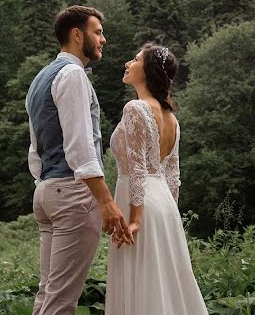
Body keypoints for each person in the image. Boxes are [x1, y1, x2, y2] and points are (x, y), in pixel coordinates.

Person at [25, 5, 132, 315]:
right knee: (60, 303)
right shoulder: (73, 75)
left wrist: (46, 184)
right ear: (76, 34)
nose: (103, 39)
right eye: (97, 32)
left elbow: (36, 149)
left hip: (46, 190)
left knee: (47, 296)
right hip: (72, 194)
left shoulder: (40, 78)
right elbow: (80, 146)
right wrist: (105, 201)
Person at [105, 43, 208, 314]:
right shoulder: (171, 118)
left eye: (135, 59)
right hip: (163, 204)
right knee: (163, 280)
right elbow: (172, 175)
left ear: (148, 69)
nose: (128, 63)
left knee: (141, 279)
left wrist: (136, 219)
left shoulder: (136, 108)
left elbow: (137, 168)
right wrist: (171, 214)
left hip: (139, 204)